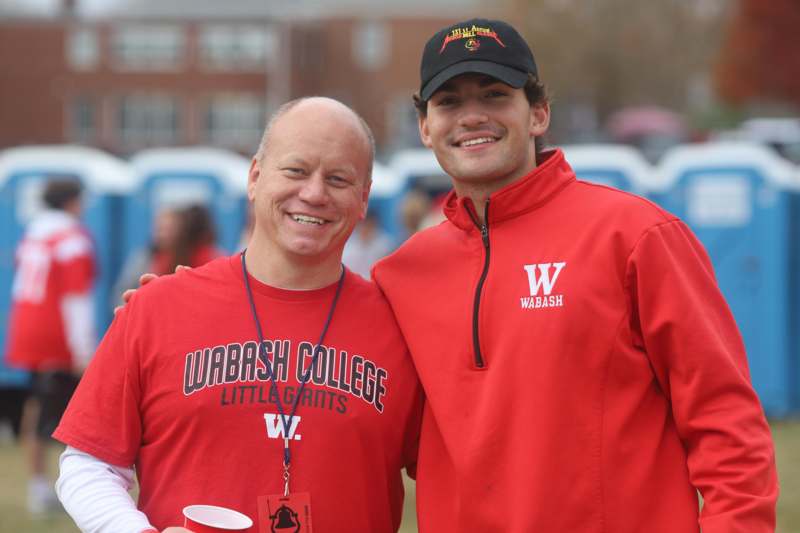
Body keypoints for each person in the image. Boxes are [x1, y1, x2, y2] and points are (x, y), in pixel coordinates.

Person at [370, 18, 778, 532]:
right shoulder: (401, 275)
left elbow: (727, 423)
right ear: (425, 127)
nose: (472, 116)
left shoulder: (636, 236)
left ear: (539, 113)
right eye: (449, 102)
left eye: (495, 95)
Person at [53, 97, 422, 532]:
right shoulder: (158, 307)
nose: (314, 193)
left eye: (338, 179)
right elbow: (88, 463)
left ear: (363, 199)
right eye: (296, 170)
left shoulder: (403, 329)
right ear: (255, 177)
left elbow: (459, 473)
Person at [5, 177, 97, 514]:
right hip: (55, 333)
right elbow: (75, 298)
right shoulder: (71, 239)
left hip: (26, 327)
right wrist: (83, 348)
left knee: (36, 406)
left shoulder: (34, 233)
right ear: (72, 201)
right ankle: (73, 490)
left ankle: (38, 486)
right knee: (79, 413)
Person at [342, 208, 394, 278]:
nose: (365, 228)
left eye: (369, 225)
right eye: (363, 224)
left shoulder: (385, 244)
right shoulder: (347, 245)